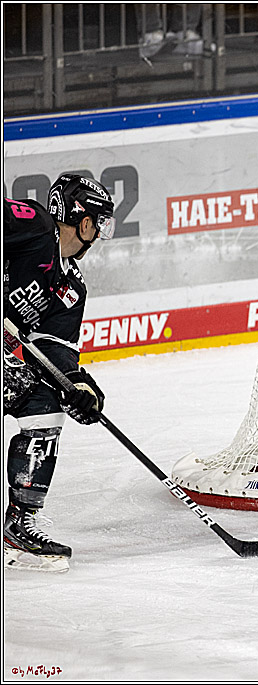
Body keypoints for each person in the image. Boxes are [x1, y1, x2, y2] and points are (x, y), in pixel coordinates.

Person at [3, 174, 116, 573]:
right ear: (84, 222)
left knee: (46, 404)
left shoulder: (72, 286)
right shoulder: (33, 225)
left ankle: (18, 526)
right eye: (100, 222)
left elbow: (55, 347)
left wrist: (77, 384)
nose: (99, 233)